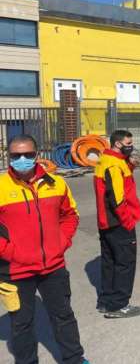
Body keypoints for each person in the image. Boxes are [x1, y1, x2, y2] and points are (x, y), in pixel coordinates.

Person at [0, 135, 89, 364]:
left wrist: (61, 243)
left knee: (63, 316)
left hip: (53, 266)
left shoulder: (56, 183)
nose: (22, 159)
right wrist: (10, 252)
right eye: (16, 156)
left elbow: (70, 216)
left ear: (37, 155)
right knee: (22, 324)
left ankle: (74, 359)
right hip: (15, 270)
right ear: (8, 157)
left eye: (28, 155)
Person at [93, 130, 140, 319]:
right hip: (119, 222)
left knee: (109, 262)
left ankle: (106, 301)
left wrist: (130, 165)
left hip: (105, 221)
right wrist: (128, 221)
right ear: (117, 144)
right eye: (128, 143)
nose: (131, 146)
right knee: (124, 263)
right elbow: (117, 197)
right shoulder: (113, 165)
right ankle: (120, 304)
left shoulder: (105, 160)